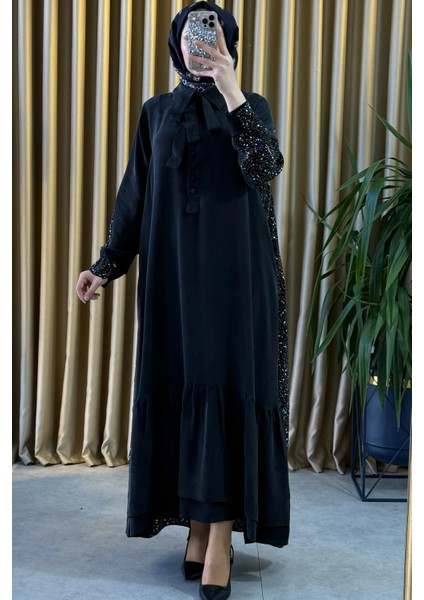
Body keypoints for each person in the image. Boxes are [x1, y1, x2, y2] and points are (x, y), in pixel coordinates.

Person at [76, 2, 290, 599]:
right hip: (171, 281)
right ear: (175, 42)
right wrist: (106, 264)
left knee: (224, 388)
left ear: (229, 40)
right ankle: (196, 523)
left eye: (212, 30)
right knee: (183, 386)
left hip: (236, 282)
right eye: (192, 31)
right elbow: (135, 194)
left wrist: (229, 86)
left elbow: (265, 166)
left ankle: (218, 537)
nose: (201, 40)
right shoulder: (156, 112)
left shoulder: (251, 105)